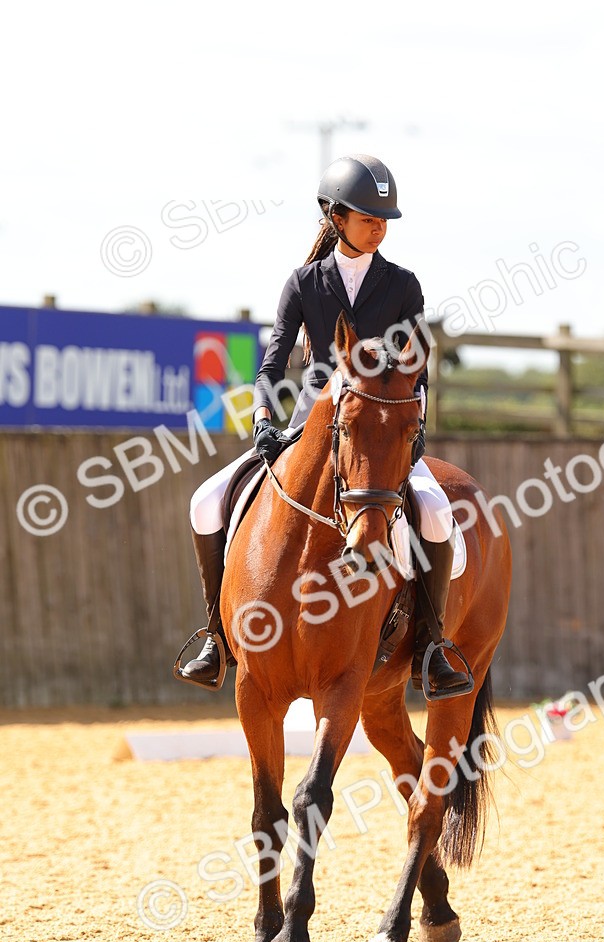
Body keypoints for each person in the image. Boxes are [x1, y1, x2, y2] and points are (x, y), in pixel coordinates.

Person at [177, 153, 469, 698]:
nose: (378, 225)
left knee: (434, 512)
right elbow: (271, 363)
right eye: (367, 216)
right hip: (310, 424)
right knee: (204, 501)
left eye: (384, 218)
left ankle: (431, 646)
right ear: (336, 216)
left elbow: (417, 368)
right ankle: (216, 636)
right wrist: (265, 420)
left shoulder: (403, 286)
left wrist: (416, 428)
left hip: (379, 434)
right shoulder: (303, 283)